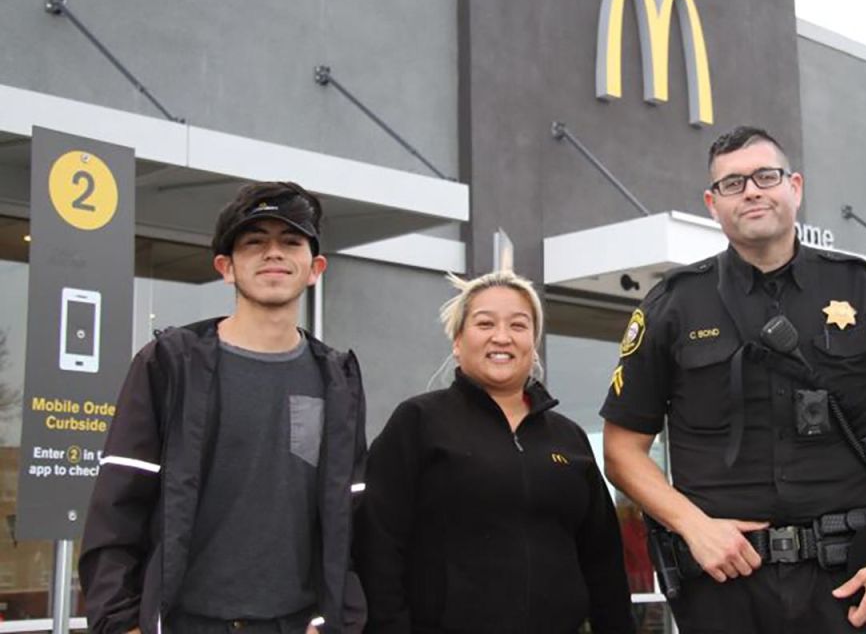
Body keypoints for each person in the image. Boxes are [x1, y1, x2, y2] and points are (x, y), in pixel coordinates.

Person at [600, 126, 866, 633]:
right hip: (725, 585)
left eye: (767, 176)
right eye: (733, 183)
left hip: (852, 586)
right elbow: (621, 451)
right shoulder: (672, 305)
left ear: (796, 187)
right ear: (711, 204)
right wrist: (694, 528)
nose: (752, 191)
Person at [79, 181, 368, 634]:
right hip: (186, 622)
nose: (273, 253)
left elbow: (350, 515)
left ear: (315, 268)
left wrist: (338, 619)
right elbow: (117, 507)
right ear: (226, 267)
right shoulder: (170, 363)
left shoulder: (337, 377)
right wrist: (120, 623)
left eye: (290, 241)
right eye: (254, 242)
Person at [354, 270, 634, 634]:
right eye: (484, 323)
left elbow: (603, 563)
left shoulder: (569, 439)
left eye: (519, 326)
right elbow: (377, 544)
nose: (502, 337)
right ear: (458, 340)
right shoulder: (419, 422)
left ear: (533, 343)